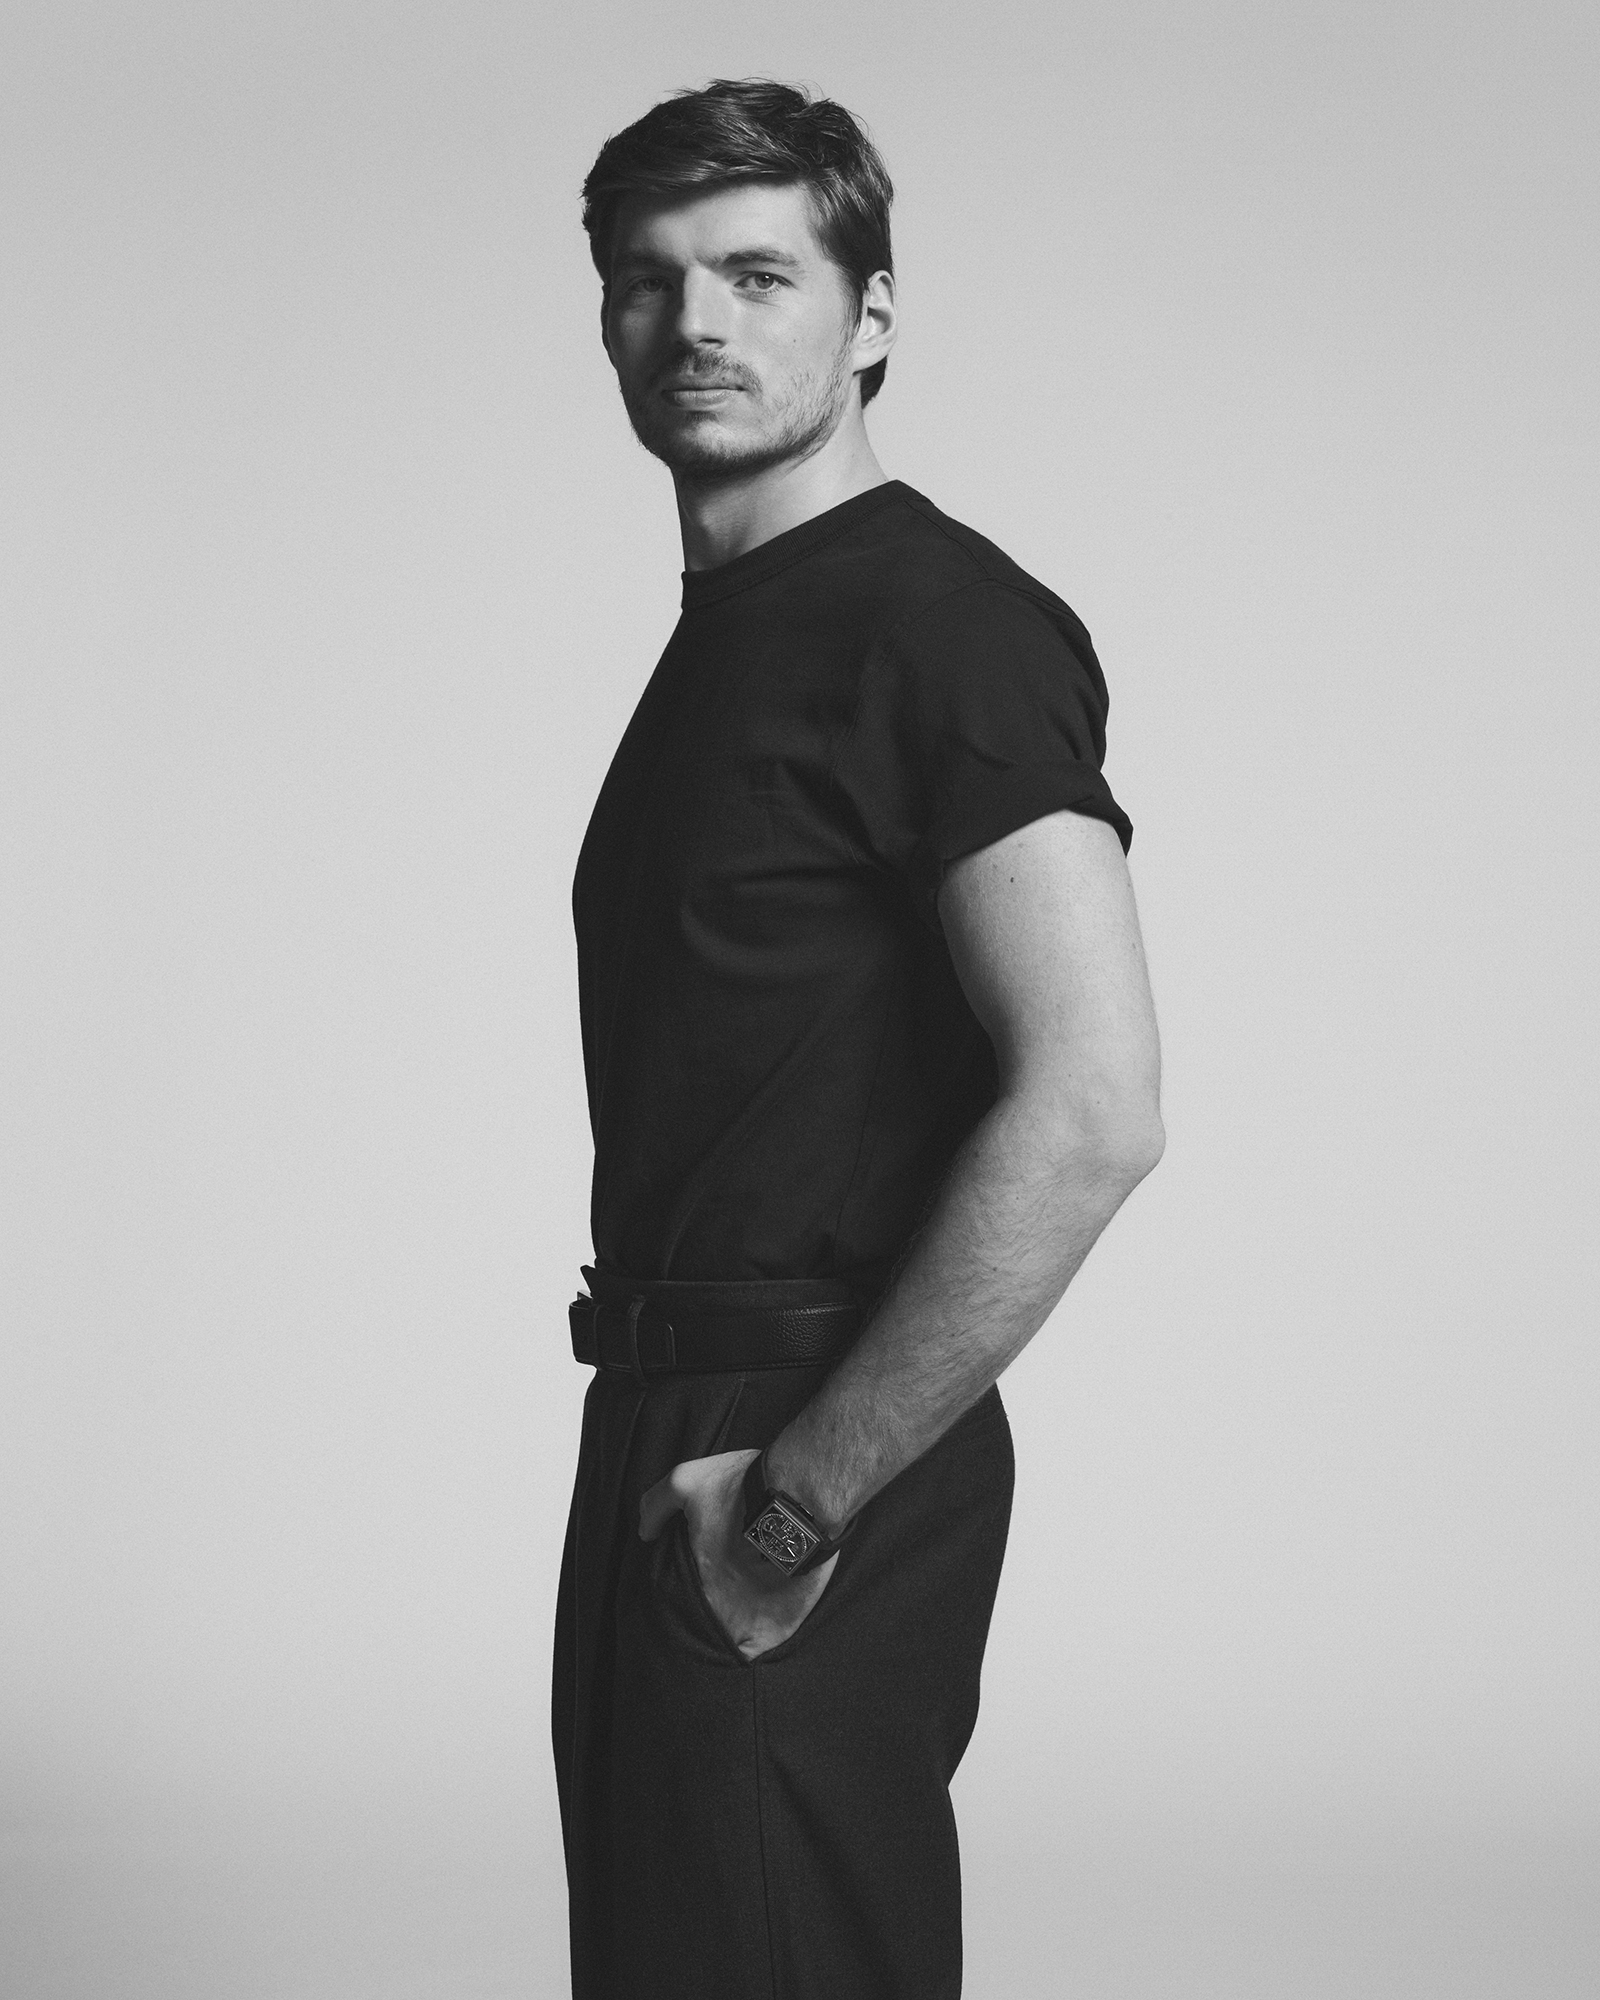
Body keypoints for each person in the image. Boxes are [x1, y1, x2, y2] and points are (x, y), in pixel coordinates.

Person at [554, 78, 1164, 2000]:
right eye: (649, 280)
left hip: (803, 1434)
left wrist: (796, 1503)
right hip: (665, 1418)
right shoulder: (735, 630)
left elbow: (1094, 1107)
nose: (696, 323)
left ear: (871, 311)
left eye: (758, 274)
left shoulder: (937, 624)